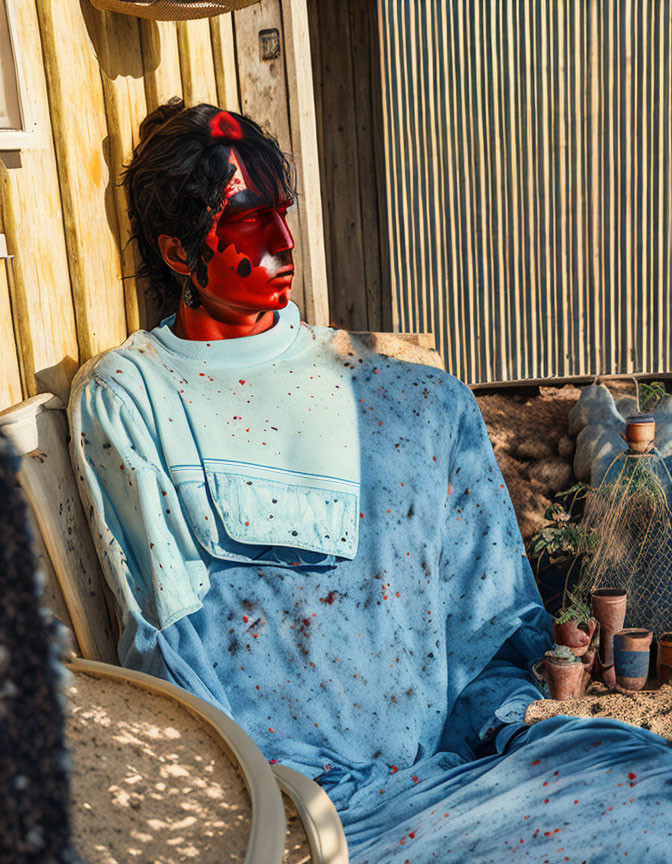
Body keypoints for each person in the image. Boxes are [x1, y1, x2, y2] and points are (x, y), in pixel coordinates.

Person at [69, 98, 672, 863]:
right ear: (179, 254)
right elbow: (171, 655)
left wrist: (517, 702)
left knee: (647, 780)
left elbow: (486, 622)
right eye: (250, 219)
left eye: (282, 212)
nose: (285, 241)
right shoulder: (134, 397)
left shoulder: (416, 402)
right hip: (302, 811)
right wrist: (279, 813)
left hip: (463, 768)